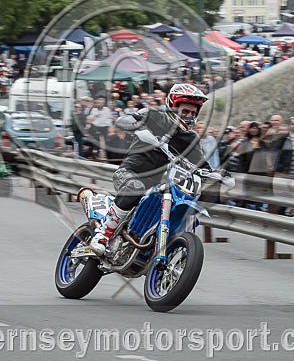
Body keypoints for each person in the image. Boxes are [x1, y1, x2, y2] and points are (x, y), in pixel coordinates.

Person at [89, 84, 209, 255]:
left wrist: (218, 174)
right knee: (135, 187)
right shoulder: (153, 115)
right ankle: (103, 235)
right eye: (185, 112)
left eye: (193, 113)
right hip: (131, 172)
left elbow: (201, 163)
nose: (189, 116)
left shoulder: (191, 138)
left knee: (182, 206)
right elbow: (124, 120)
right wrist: (136, 126)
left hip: (159, 185)